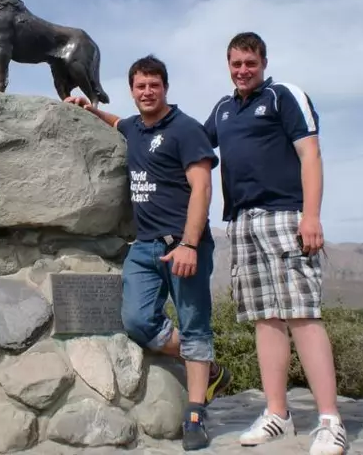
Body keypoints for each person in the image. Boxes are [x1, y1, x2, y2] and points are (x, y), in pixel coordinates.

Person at [66, 54, 232, 451]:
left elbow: (203, 189)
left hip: (182, 244)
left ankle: (194, 414)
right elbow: (117, 122)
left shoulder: (186, 130)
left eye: (153, 85)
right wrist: (90, 109)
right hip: (144, 247)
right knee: (137, 321)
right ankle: (208, 369)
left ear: (165, 88)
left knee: (194, 326)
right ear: (132, 90)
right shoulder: (135, 128)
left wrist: (190, 244)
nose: (146, 92)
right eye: (140, 86)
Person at [203, 32, 346, 454]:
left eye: (250, 62)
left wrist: (312, 215)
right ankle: (278, 414)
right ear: (228, 65)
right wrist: (113, 120)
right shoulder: (224, 109)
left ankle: (329, 420)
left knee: (302, 315)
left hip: (287, 217)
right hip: (241, 222)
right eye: (236, 63)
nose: (243, 70)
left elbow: (311, 155)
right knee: (266, 319)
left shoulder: (284, 96)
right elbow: (186, 139)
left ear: (263, 62)